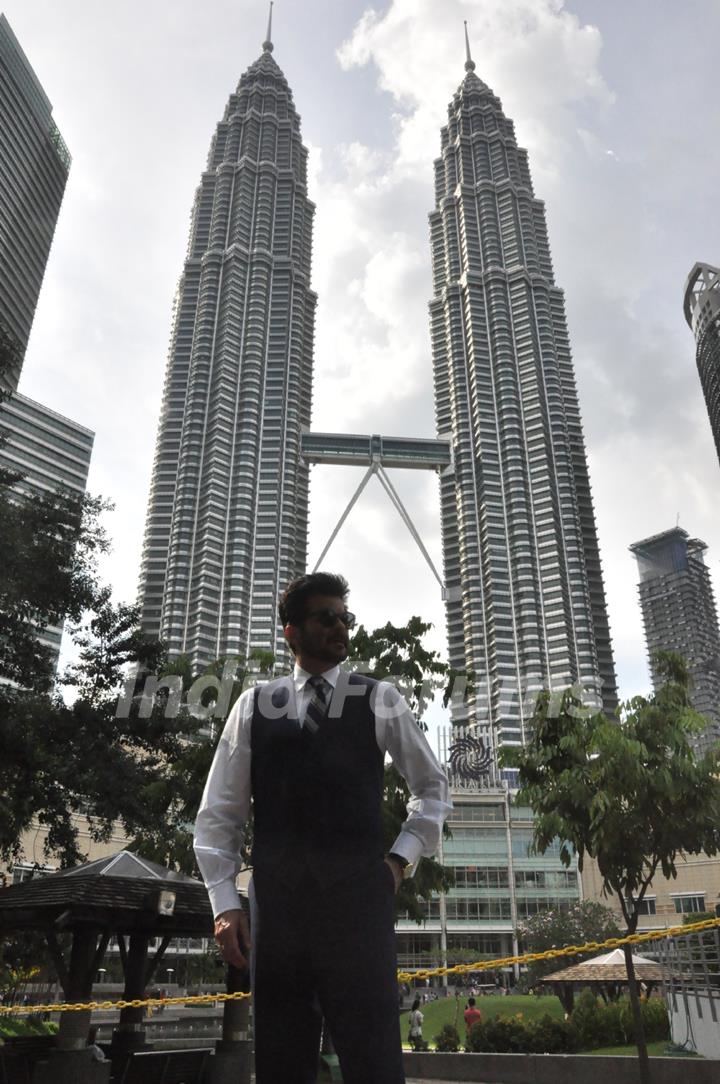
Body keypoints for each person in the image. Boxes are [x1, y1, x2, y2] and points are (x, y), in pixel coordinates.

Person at [193, 572, 451, 1084]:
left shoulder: (380, 699)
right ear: (291, 631)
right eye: (326, 618)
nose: (340, 628)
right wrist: (225, 903)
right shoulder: (252, 706)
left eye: (345, 618)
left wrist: (399, 862)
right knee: (280, 1062)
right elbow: (218, 815)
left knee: (374, 1059)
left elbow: (433, 787)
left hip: (358, 906)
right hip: (278, 910)